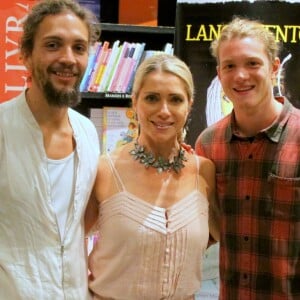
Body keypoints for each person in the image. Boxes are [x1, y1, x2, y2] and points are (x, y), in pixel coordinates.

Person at [85, 53, 218, 299]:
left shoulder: (205, 172)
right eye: (152, 98)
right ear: (134, 102)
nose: (164, 111)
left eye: (175, 99)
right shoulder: (103, 170)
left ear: (189, 105)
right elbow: (67, 248)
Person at [0, 0, 101, 299]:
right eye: (53, 45)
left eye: (79, 48)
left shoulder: (88, 133)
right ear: (26, 56)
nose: (68, 58)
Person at [195, 16, 300, 299]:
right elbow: (203, 231)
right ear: (219, 73)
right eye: (229, 66)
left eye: (252, 63)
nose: (240, 76)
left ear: (274, 68)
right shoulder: (208, 144)